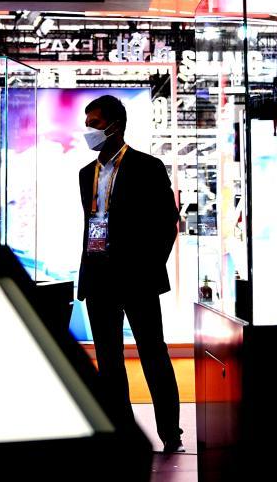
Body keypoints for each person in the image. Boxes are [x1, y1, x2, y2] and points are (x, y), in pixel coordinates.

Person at [76, 94, 183, 454]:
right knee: (108, 362)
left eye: (94, 123)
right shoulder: (85, 174)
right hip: (99, 277)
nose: (89, 130)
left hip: (138, 279)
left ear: (115, 126)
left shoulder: (147, 167)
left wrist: (148, 268)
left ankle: (170, 433)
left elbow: (167, 224)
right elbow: (92, 223)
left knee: (153, 355)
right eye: (87, 124)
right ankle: (122, 434)